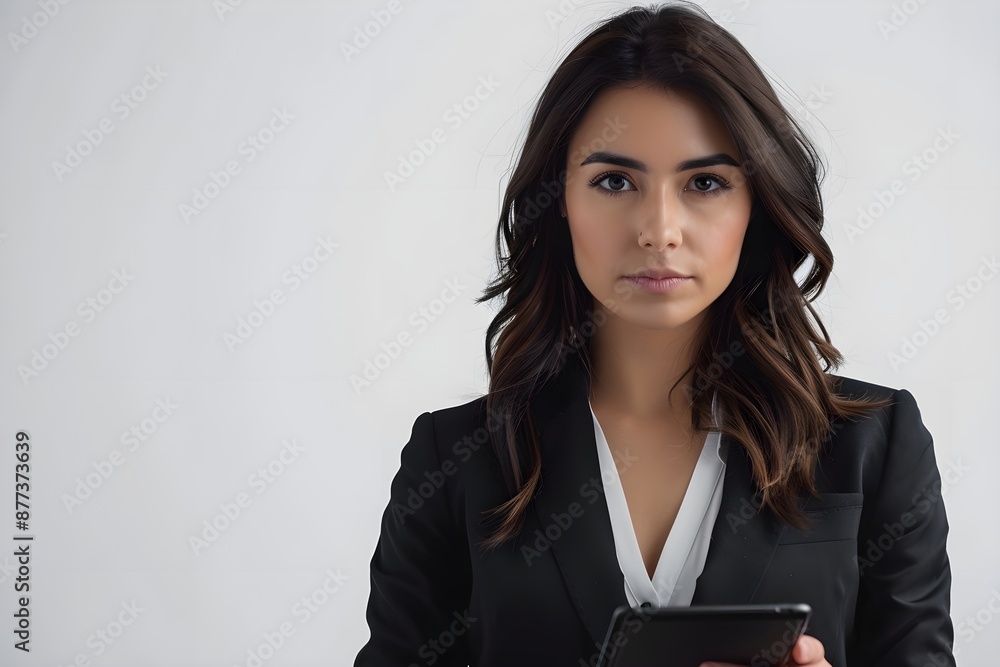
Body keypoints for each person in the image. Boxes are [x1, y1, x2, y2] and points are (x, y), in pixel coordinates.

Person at [353, 3, 956, 666]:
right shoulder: (454, 459)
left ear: (757, 206)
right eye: (614, 180)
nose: (658, 229)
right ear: (560, 202)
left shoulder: (875, 443)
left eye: (705, 182)